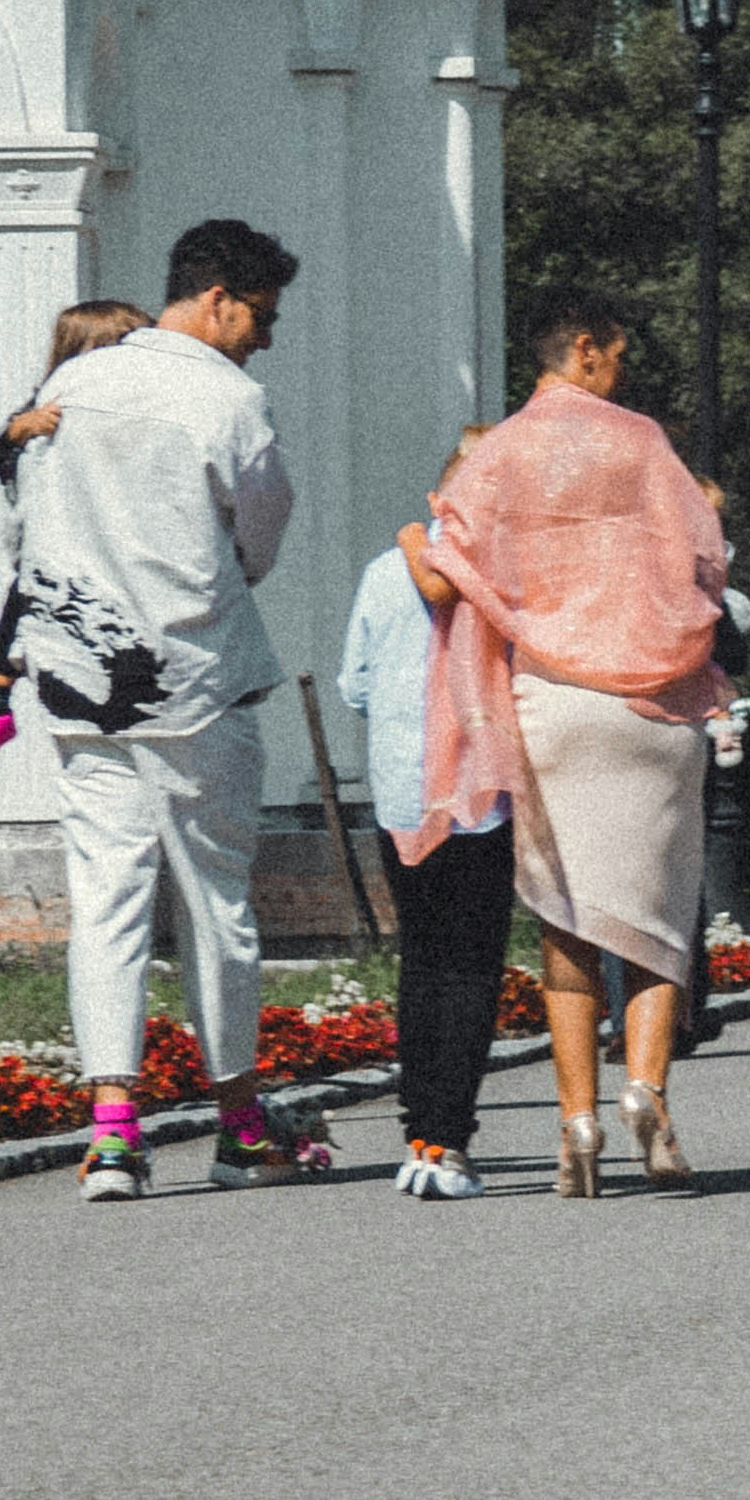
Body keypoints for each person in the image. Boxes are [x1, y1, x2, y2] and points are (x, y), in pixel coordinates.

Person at [406, 288, 733, 1197]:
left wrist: (413, 539)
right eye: (617, 353)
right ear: (584, 350)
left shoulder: (501, 452)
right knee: (659, 922)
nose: (621, 371)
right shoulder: (639, 442)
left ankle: (577, 1125)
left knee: (565, 919)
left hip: (549, 699)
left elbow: (447, 568)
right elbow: (705, 556)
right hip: (651, 708)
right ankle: (647, 1097)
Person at [1, 219, 300, 1202]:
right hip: (193, 680)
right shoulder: (228, 398)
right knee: (217, 904)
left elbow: (26, 520)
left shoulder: (69, 386)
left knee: (106, 903)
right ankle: (240, 1121)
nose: (265, 335)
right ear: (218, 298)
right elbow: (259, 540)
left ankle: (113, 1132)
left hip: (82, 678)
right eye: (261, 313)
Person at [331, 435, 515, 1197]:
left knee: (423, 960)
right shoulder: (501, 577)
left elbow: (354, 685)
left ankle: (418, 1136)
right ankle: (451, 1138)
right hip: (479, 799)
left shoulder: (383, 573)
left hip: (403, 797)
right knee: (473, 968)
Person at [0, 298, 150, 769]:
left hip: (106, 540)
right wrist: (19, 430)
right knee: (26, 591)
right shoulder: (49, 403)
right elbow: (2, 457)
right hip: (54, 536)